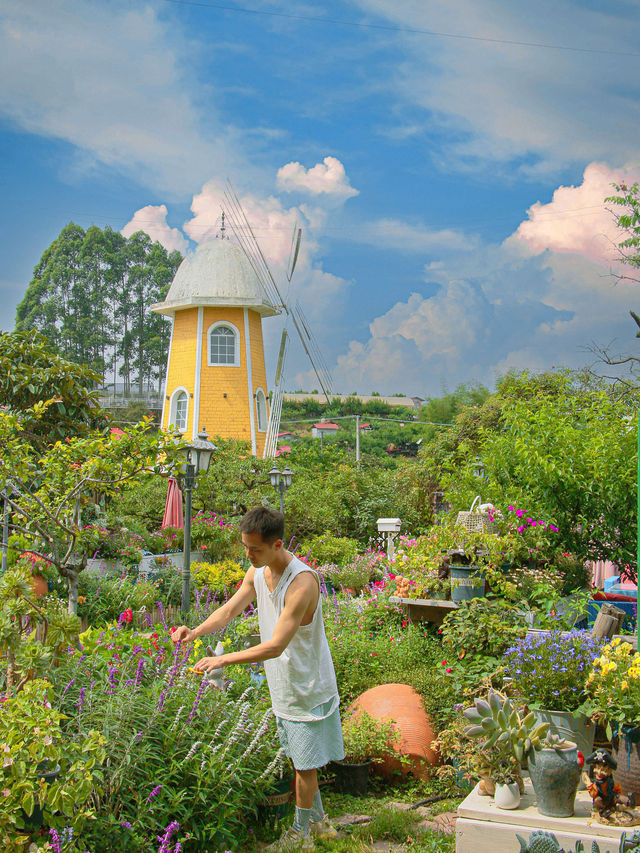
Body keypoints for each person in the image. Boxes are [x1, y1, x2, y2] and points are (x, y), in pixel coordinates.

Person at [171, 506, 344, 851]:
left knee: (305, 767)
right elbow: (229, 610)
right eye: (245, 547)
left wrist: (222, 659)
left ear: (278, 544)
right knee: (301, 759)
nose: (247, 555)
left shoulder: (302, 583)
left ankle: (300, 835)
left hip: (308, 687)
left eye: (255, 549)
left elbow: (277, 645)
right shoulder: (257, 571)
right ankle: (321, 823)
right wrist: (196, 632)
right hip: (285, 685)